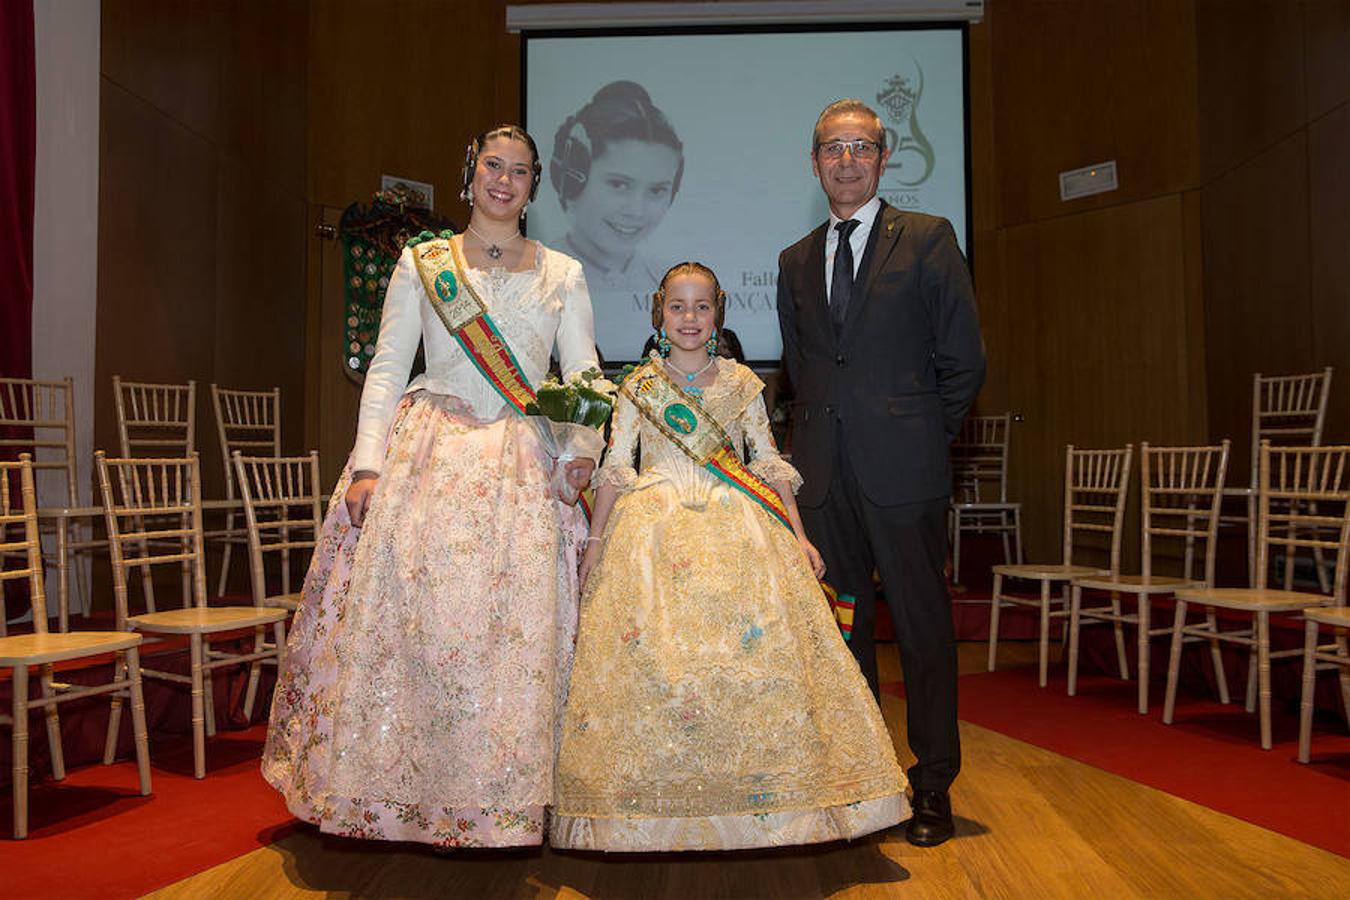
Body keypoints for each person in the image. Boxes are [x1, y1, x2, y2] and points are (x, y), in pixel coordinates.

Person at [262, 125, 600, 849]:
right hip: (429, 458)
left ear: (536, 186)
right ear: (467, 176)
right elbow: (387, 368)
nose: (503, 180)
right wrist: (366, 464)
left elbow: (584, 377)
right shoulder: (423, 262)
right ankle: (399, 794)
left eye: (519, 171)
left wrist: (582, 453)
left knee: (511, 635)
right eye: (491, 166)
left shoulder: (563, 273)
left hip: (520, 462)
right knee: (418, 629)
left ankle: (507, 802)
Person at [551, 262, 908, 852]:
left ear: (718, 314)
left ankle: (768, 805)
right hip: (652, 531)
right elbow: (617, 469)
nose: (689, 319)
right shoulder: (638, 386)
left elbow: (766, 464)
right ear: (658, 313)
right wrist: (594, 544)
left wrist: (798, 536)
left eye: (702, 307)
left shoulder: (743, 384)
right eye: (677, 307)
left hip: (739, 523)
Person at [776, 100, 986, 848]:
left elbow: (964, 360)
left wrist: (921, 438)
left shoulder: (929, 240)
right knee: (845, 632)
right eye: (832, 148)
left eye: (860, 146)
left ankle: (932, 785)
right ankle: (867, 784)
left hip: (906, 475)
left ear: (883, 156)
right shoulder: (794, 259)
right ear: (814, 162)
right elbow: (803, 370)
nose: (846, 160)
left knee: (924, 632)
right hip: (824, 476)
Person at [549, 81, 683, 355]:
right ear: (572, 178)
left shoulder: (671, 282)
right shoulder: (540, 275)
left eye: (657, 190)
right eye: (619, 185)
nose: (636, 210)